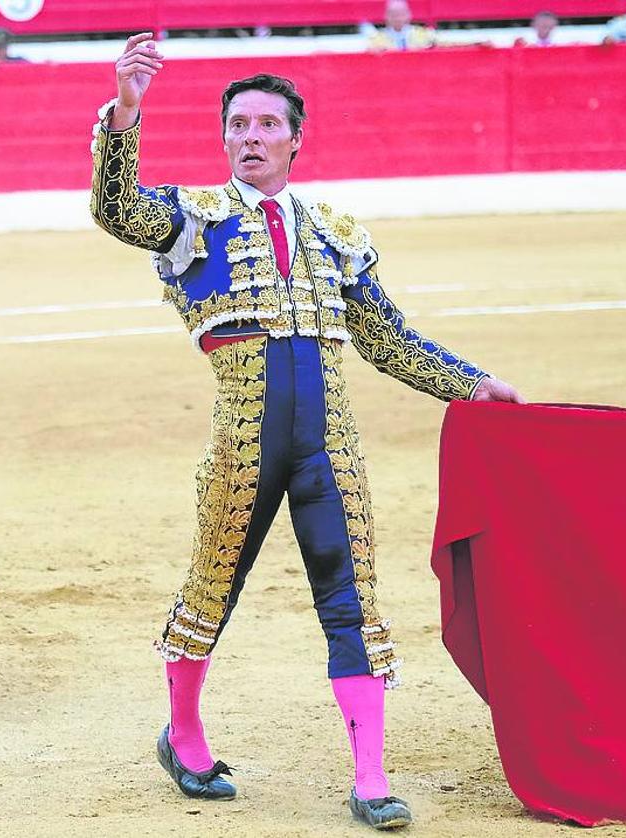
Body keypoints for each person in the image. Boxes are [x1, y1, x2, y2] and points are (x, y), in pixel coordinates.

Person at [89, 33, 524, 830]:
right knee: (211, 588)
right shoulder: (192, 218)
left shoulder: (334, 230)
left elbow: (387, 337)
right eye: (237, 125)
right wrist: (126, 111)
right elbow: (113, 209)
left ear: (295, 137)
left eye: (265, 125)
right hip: (244, 442)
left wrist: (473, 384)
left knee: (352, 599)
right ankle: (183, 736)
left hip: (330, 446)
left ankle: (370, 777)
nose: (249, 137)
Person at [366, 0, 436, 51]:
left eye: (401, 14)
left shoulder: (424, 34)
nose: (397, 18)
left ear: (409, 15)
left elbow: (442, 44)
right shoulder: (377, 38)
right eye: (393, 15)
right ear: (386, 16)